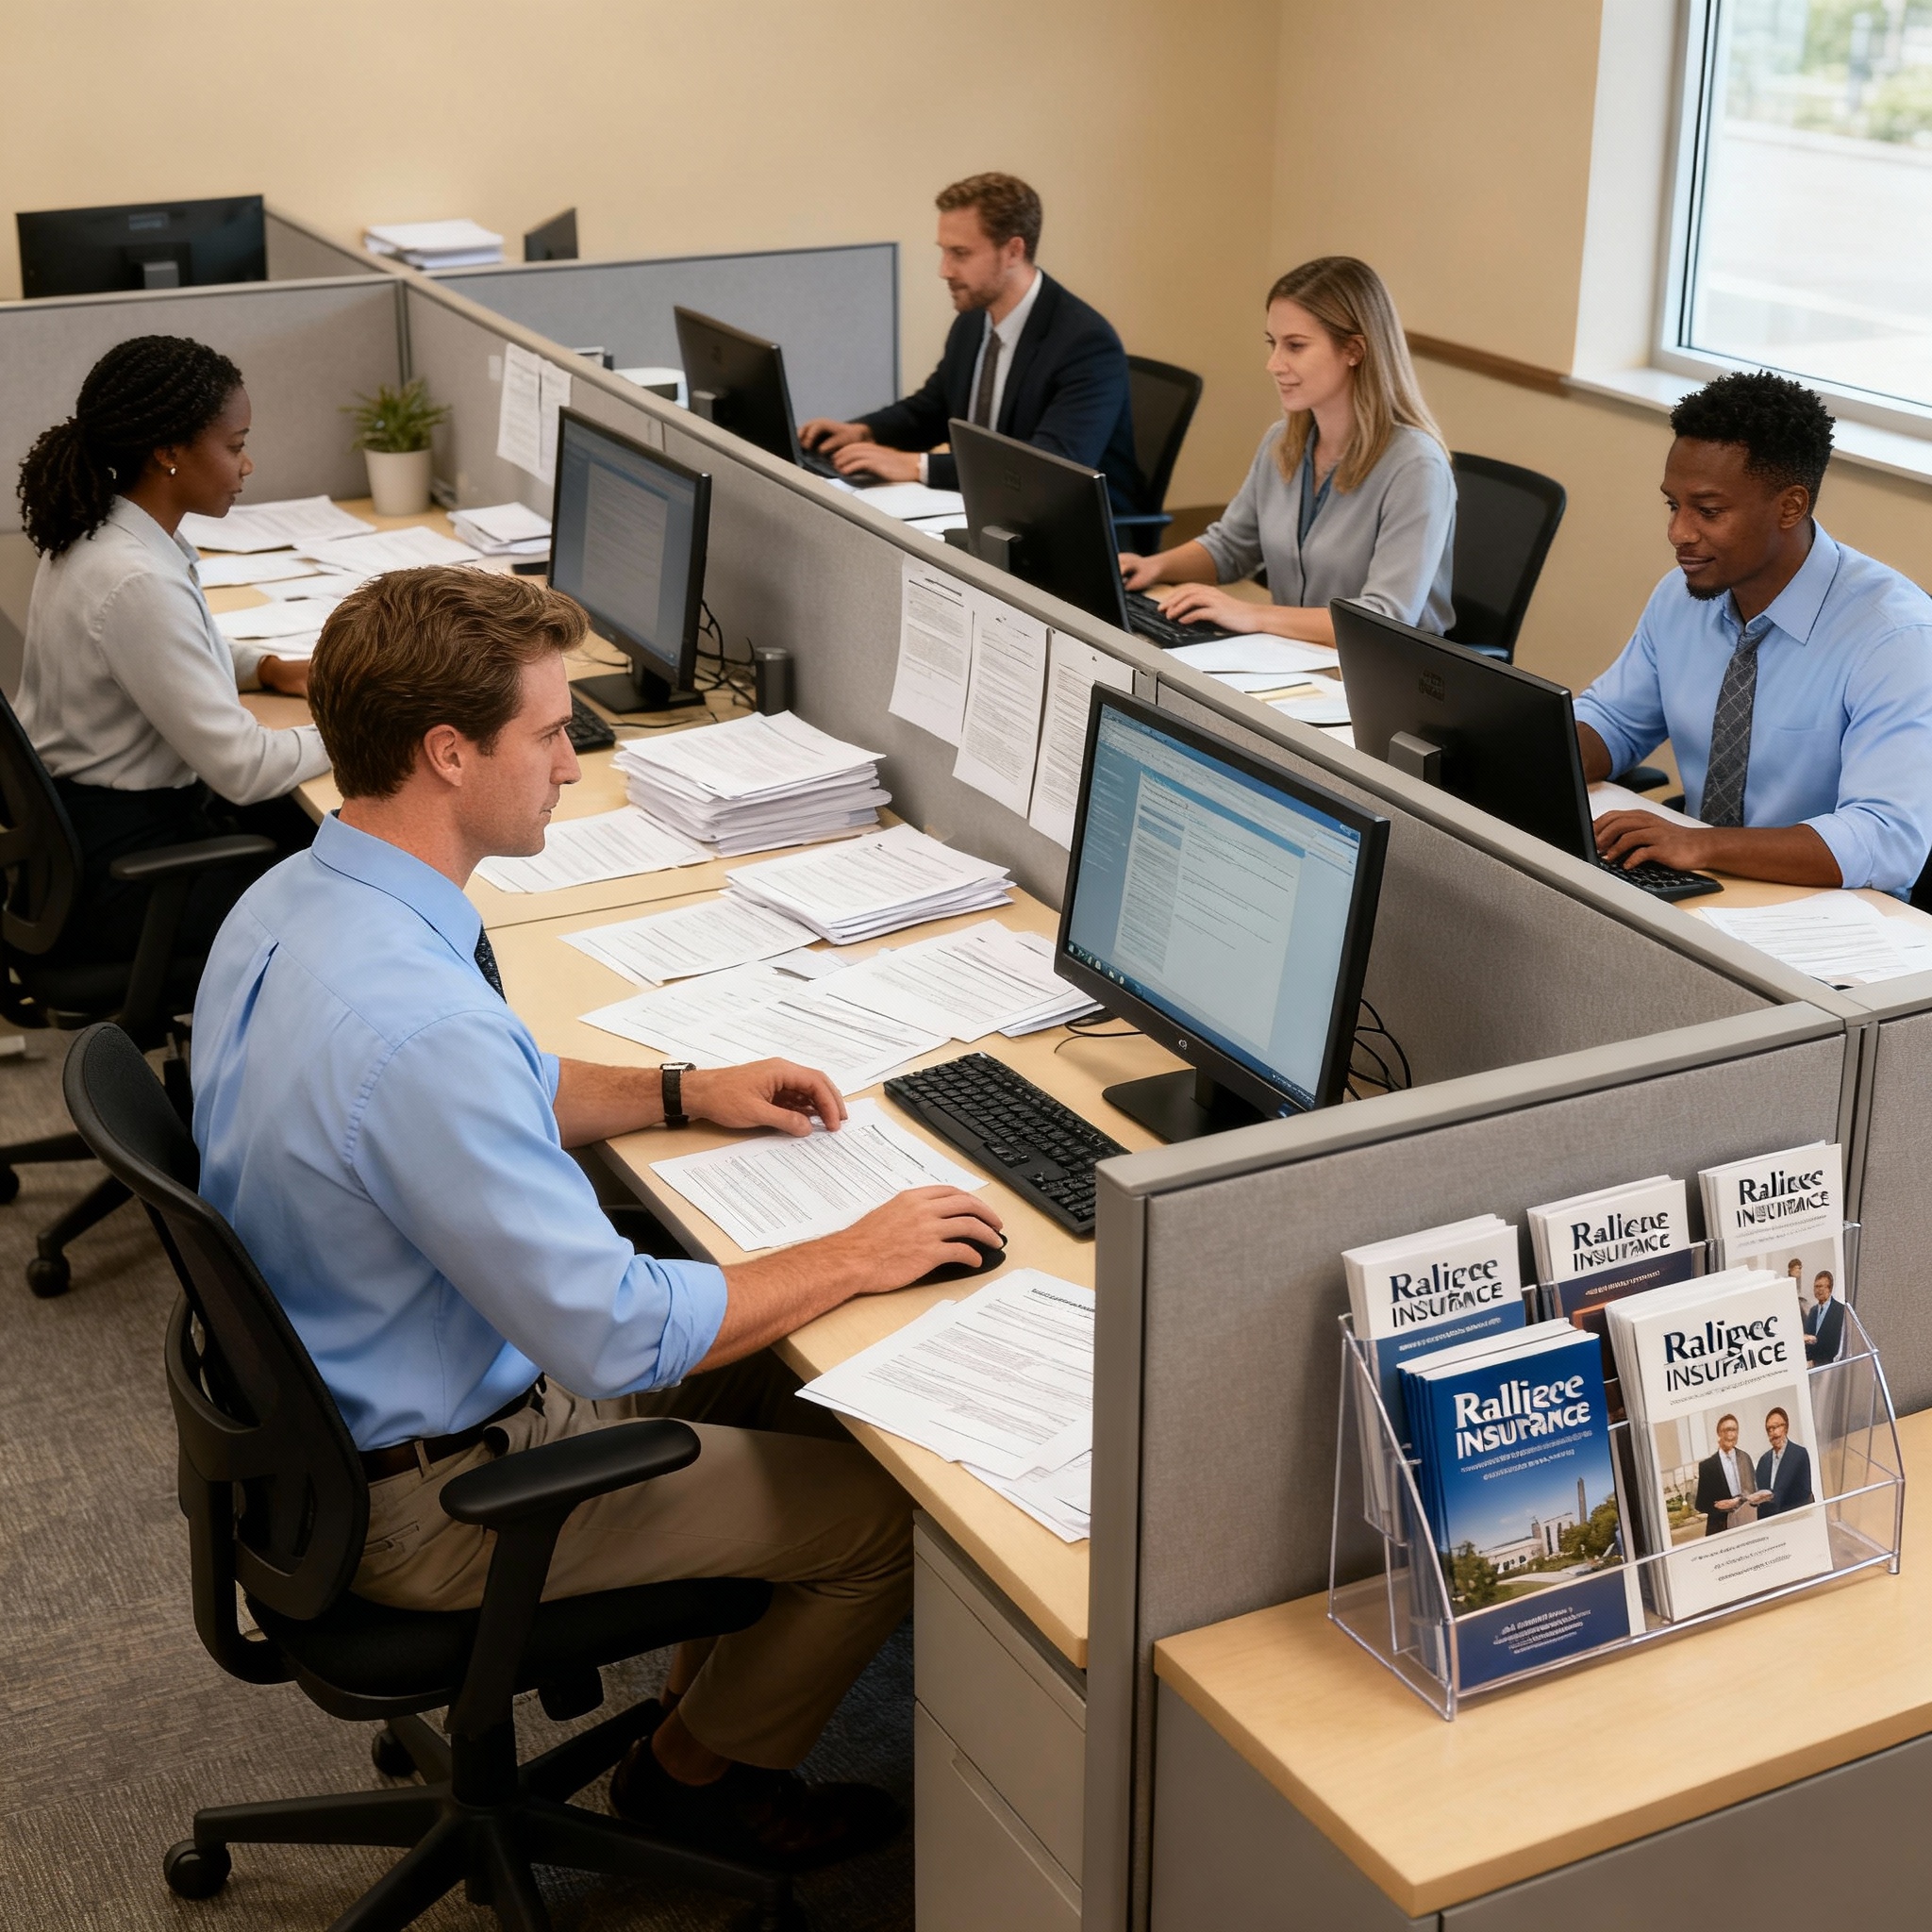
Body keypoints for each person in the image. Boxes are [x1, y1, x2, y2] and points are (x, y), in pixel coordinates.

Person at [190, 565, 1006, 1873]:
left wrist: (684, 1089)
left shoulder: (297, 905)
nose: (574, 764)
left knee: (819, 1390)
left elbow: (477, 1089)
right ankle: (689, 1781)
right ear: (450, 755)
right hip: (445, 1492)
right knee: (886, 1513)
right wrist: (856, 1250)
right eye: (552, 732)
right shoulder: (418, 1026)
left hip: (343, 1423)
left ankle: (700, 1694)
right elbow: (617, 1337)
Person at [13, 334, 328, 963]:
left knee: (328, 837)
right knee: (353, 896)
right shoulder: (135, 580)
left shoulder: (103, 532)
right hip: (124, 875)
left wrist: (266, 668)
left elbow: (167, 650)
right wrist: (372, 727)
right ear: (168, 453)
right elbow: (245, 770)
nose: (247, 465)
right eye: (235, 446)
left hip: (79, 841)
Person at [1582, 371, 1932, 892]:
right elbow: (1613, 722)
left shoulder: (1894, 638)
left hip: (1831, 917)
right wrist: (1516, 750)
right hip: (1706, 885)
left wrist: (1700, 843)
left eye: (1709, 511)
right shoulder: (1682, 597)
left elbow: (1887, 839)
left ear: (1791, 506)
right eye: (1673, 505)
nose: (1678, 533)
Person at [1119, 256, 1455, 644]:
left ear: (1354, 351)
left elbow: (1384, 620)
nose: (1274, 364)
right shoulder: (1283, 442)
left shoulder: (1416, 467)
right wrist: (1152, 567)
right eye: (1272, 344)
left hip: (1380, 680)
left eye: (1295, 346)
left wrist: (1253, 614)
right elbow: (1231, 548)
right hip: (1292, 657)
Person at [798, 173, 1141, 513]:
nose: (944, 270)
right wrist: (865, 431)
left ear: (1013, 251)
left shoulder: (1085, 343)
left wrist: (919, 466)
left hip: (1073, 531)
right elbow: (931, 408)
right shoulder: (974, 319)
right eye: (944, 251)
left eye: (960, 253)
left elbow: (1051, 468)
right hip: (989, 509)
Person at [1692, 1413, 1755, 1535]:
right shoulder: (1707, 1466)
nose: (1730, 1435)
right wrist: (1719, 1507)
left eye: (1734, 1430)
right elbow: (1701, 1504)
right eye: (1726, 1430)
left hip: (1746, 1523)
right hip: (1720, 1528)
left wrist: (1738, 1501)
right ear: (1719, 1433)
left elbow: (1753, 1492)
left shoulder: (1745, 1458)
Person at [1751, 1407, 1814, 1519]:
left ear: (1786, 1427)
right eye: (1768, 1429)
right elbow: (1759, 1496)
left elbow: (1804, 1492)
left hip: (1794, 1517)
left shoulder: (1799, 1454)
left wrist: (1773, 1497)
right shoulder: (1763, 1461)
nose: (1772, 1433)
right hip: (1769, 1522)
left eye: (1775, 1427)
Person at [1805, 1270, 1846, 1366]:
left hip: (1831, 1365)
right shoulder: (1813, 1311)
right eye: (1816, 1287)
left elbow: (1839, 1340)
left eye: (1821, 1287)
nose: (1818, 1290)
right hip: (1814, 1365)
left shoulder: (1841, 1310)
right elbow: (1808, 1335)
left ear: (1830, 1288)